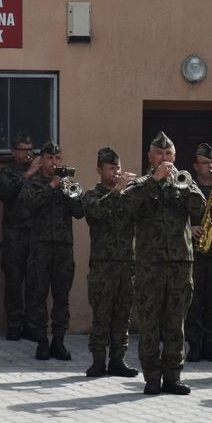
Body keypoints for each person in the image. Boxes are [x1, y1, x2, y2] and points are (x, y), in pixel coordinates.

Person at [120, 131, 205, 394]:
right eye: (160, 153)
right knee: (149, 323)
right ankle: (152, 378)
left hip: (180, 262)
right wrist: (154, 181)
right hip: (150, 264)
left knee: (175, 323)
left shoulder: (184, 181)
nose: (165, 158)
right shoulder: (141, 183)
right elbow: (126, 207)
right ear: (150, 156)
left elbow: (199, 208)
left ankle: (173, 376)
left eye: (169, 154)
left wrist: (187, 185)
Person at [20, 141, 83, 361]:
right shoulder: (34, 183)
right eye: (49, 158)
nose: (54, 162)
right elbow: (28, 205)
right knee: (37, 295)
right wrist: (51, 186)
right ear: (42, 160)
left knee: (61, 297)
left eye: (57, 158)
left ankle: (59, 341)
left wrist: (69, 191)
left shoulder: (68, 184)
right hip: (40, 247)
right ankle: (42, 342)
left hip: (63, 248)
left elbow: (79, 212)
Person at [81, 147, 139, 377]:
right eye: (111, 168)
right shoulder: (91, 195)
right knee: (102, 314)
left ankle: (118, 360)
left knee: (122, 315)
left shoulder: (128, 195)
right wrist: (118, 189)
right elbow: (96, 212)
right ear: (99, 170)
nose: (116, 172)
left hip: (127, 263)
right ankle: (98, 360)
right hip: (103, 265)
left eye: (118, 167)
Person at [0, 133, 41, 340]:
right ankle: (14, 325)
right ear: (14, 152)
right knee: (14, 283)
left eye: (30, 150)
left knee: (34, 283)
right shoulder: (7, 173)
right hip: (14, 236)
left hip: (35, 235)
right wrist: (28, 174)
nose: (28, 154)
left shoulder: (40, 174)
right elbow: (5, 193)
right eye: (23, 150)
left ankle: (31, 325)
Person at [186, 143, 212, 363]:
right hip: (194, 253)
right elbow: (177, 217)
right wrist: (189, 228)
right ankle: (194, 344)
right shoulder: (187, 188)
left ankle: (210, 343)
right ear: (195, 166)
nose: (210, 166)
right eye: (205, 162)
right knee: (194, 300)